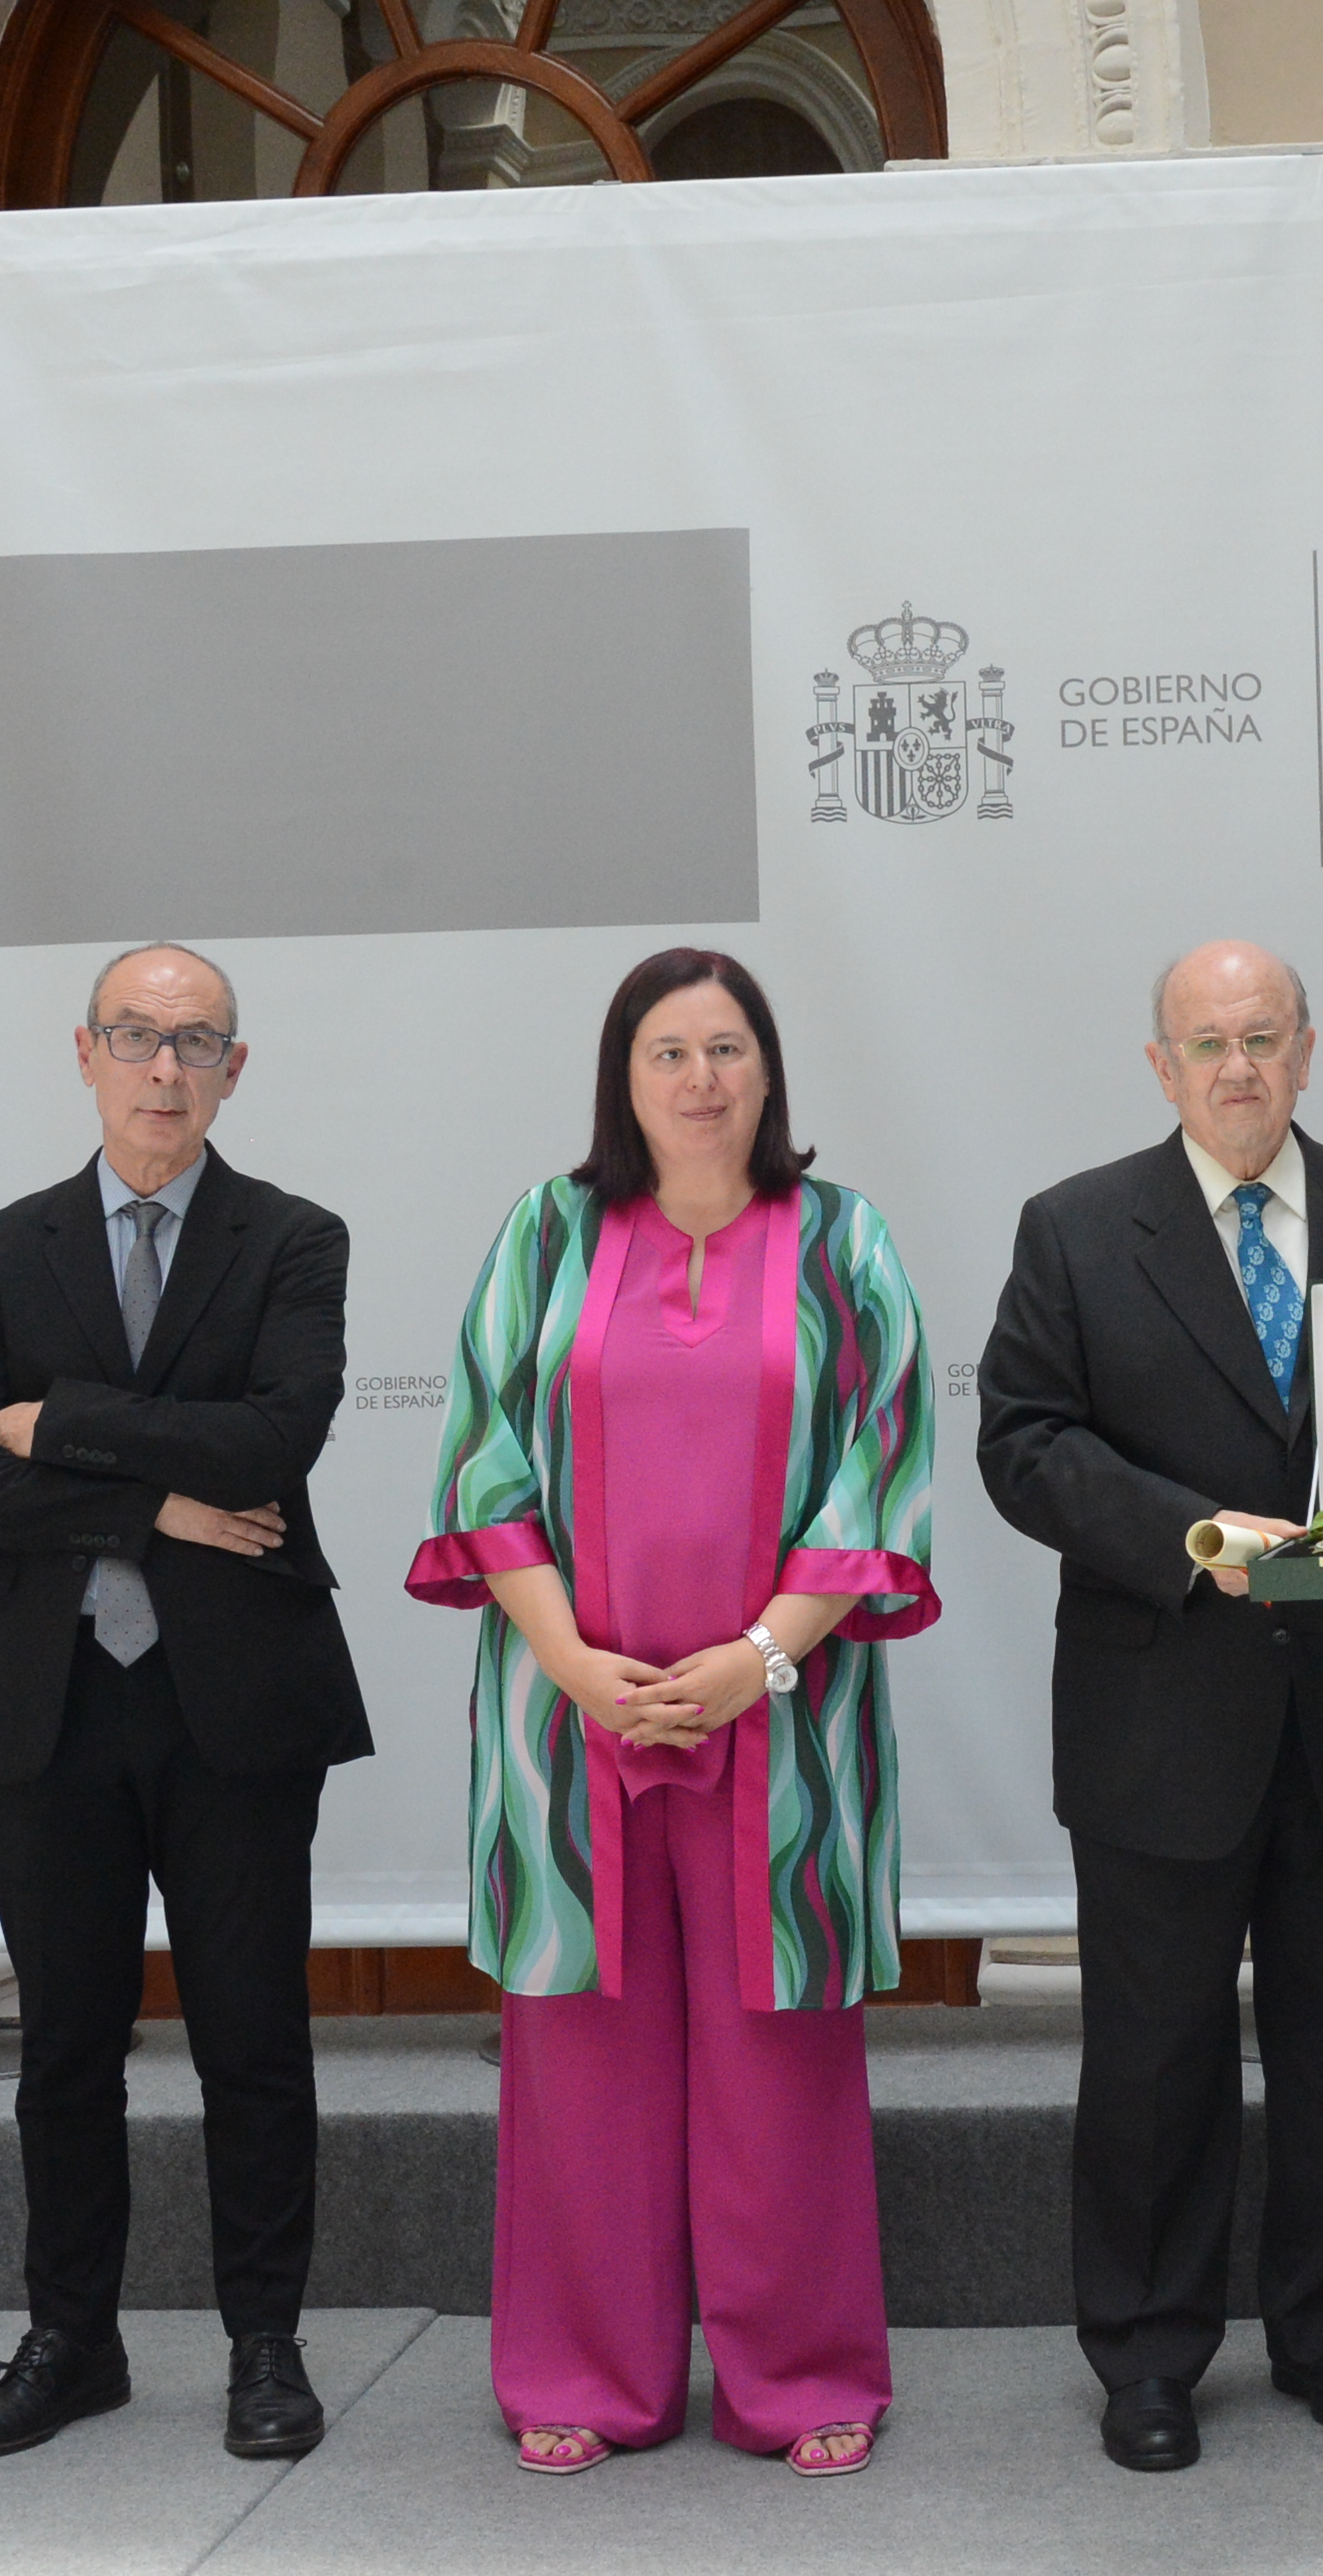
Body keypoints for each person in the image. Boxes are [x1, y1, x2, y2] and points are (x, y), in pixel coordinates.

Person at [976, 940, 1323, 2474]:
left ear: (1308, 1051)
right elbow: (1024, 1445)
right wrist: (1198, 1537)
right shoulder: (1078, 1228)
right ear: (1161, 1066)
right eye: (1207, 1043)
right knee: (1156, 2060)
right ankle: (1148, 2354)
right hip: (1161, 1716)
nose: (1238, 1067)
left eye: (1264, 1037)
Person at [409, 948, 937, 2479]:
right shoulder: (546, 1232)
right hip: (568, 1716)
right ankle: (585, 2369)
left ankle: (803, 2372)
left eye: (727, 1048)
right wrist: (578, 1664)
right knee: (582, 2060)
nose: (700, 1079)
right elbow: (484, 1462)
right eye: (667, 1051)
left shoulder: (844, 1239)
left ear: (769, 1070)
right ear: (621, 1079)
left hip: (788, 1716)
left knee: (783, 2064)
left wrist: (755, 1659)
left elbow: (879, 1468)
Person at [0, 942, 371, 2462]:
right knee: (63, 2049)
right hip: (51, 1709)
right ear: (85, 1053)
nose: (165, 1069)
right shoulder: (3, 1249)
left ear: (236, 1069)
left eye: (196, 1042)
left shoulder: (291, 1239)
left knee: (253, 2036)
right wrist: (148, 1505)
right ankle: (70, 2341)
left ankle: (266, 2344)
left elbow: (271, 1443)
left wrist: (58, 1426)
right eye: (136, 1037)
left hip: (238, 1706)